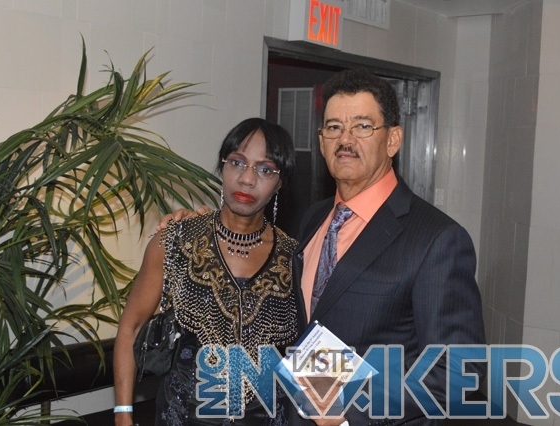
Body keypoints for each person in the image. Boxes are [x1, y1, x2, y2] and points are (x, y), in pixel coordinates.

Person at [162, 69, 486, 426]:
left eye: (362, 126)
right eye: (334, 127)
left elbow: (460, 371)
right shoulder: (314, 219)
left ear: (393, 140)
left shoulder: (436, 239)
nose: (345, 139)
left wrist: (351, 408)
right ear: (321, 141)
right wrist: (204, 225)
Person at [113, 117, 299, 426]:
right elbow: (131, 327)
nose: (247, 179)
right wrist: (122, 414)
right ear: (222, 166)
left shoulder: (294, 257)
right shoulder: (175, 241)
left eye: (265, 169)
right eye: (237, 163)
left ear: (280, 183)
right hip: (184, 417)